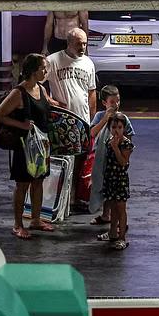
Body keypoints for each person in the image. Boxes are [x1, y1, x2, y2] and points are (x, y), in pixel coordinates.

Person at [0, 53, 59, 240]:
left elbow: (49, 106)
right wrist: (22, 125)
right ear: (32, 71)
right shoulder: (19, 93)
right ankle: (18, 224)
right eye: (43, 68)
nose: (45, 72)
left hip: (41, 145)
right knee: (22, 184)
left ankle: (36, 219)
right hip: (24, 147)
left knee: (38, 182)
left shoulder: (41, 89)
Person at [45, 28, 99, 210]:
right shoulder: (53, 61)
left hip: (82, 120)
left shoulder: (88, 63)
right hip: (61, 122)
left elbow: (92, 92)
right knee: (61, 160)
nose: (82, 47)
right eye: (78, 44)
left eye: (84, 44)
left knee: (79, 162)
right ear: (69, 43)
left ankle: (73, 197)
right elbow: (36, 84)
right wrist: (52, 101)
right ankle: (56, 198)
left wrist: (91, 118)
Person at [88, 85, 134, 227]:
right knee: (104, 186)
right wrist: (105, 119)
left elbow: (129, 138)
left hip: (117, 160)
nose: (116, 104)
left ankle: (119, 221)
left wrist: (122, 153)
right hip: (102, 158)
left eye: (118, 101)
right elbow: (92, 133)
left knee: (117, 192)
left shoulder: (123, 118)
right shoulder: (99, 116)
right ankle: (106, 214)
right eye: (112, 102)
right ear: (104, 103)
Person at [99, 113, 134, 251]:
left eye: (119, 127)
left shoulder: (126, 144)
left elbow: (123, 163)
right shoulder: (109, 141)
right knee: (112, 206)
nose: (116, 130)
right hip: (110, 178)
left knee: (121, 208)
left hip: (120, 180)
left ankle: (122, 237)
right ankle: (112, 232)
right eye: (113, 127)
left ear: (124, 128)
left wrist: (115, 148)